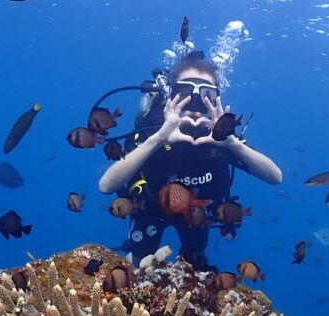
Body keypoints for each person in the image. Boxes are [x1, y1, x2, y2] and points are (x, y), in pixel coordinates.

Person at [98, 53, 282, 270]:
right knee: (139, 263)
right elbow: (106, 185)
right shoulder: (155, 130)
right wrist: (158, 139)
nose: (195, 103)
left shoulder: (221, 138)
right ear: (171, 94)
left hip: (195, 214)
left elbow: (275, 177)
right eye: (184, 92)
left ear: (216, 101)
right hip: (150, 209)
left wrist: (232, 144)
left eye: (206, 96)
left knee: (194, 263)